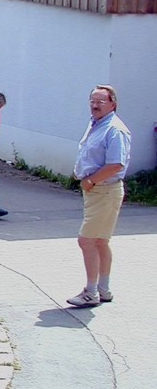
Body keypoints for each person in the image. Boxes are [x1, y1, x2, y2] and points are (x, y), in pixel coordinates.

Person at [66, 85, 131, 308]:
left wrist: (90, 180)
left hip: (104, 190)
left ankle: (91, 292)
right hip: (96, 191)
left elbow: (116, 164)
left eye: (100, 102)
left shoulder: (115, 129)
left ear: (113, 104)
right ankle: (103, 289)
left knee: (87, 241)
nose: (95, 105)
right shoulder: (96, 124)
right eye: (92, 101)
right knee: (100, 242)